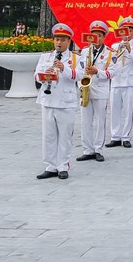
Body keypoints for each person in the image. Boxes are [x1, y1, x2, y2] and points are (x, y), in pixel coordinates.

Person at [34, 23, 83, 180]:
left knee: (64, 135)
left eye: (62, 39)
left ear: (69, 41)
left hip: (66, 102)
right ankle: (51, 165)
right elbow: (36, 76)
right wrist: (44, 75)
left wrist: (64, 69)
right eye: (56, 39)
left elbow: (80, 76)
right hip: (48, 100)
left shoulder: (76, 58)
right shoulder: (46, 57)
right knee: (49, 135)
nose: (59, 43)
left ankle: (63, 165)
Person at [77, 20, 114, 163]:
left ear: (104, 37)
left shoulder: (110, 53)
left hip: (101, 90)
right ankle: (87, 150)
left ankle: (98, 149)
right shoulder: (85, 51)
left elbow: (113, 73)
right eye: (94, 35)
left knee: (100, 121)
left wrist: (97, 71)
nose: (96, 38)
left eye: (99, 35)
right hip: (87, 89)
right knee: (85, 121)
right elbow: (79, 69)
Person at [108, 17, 133, 149]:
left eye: (130, 31)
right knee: (114, 110)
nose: (127, 34)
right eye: (124, 31)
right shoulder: (115, 46)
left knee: (128, 111)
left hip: (130, 82)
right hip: (116, 81)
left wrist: (130, 50)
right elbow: (111, 62)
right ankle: (115, 136)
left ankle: (126, 137)